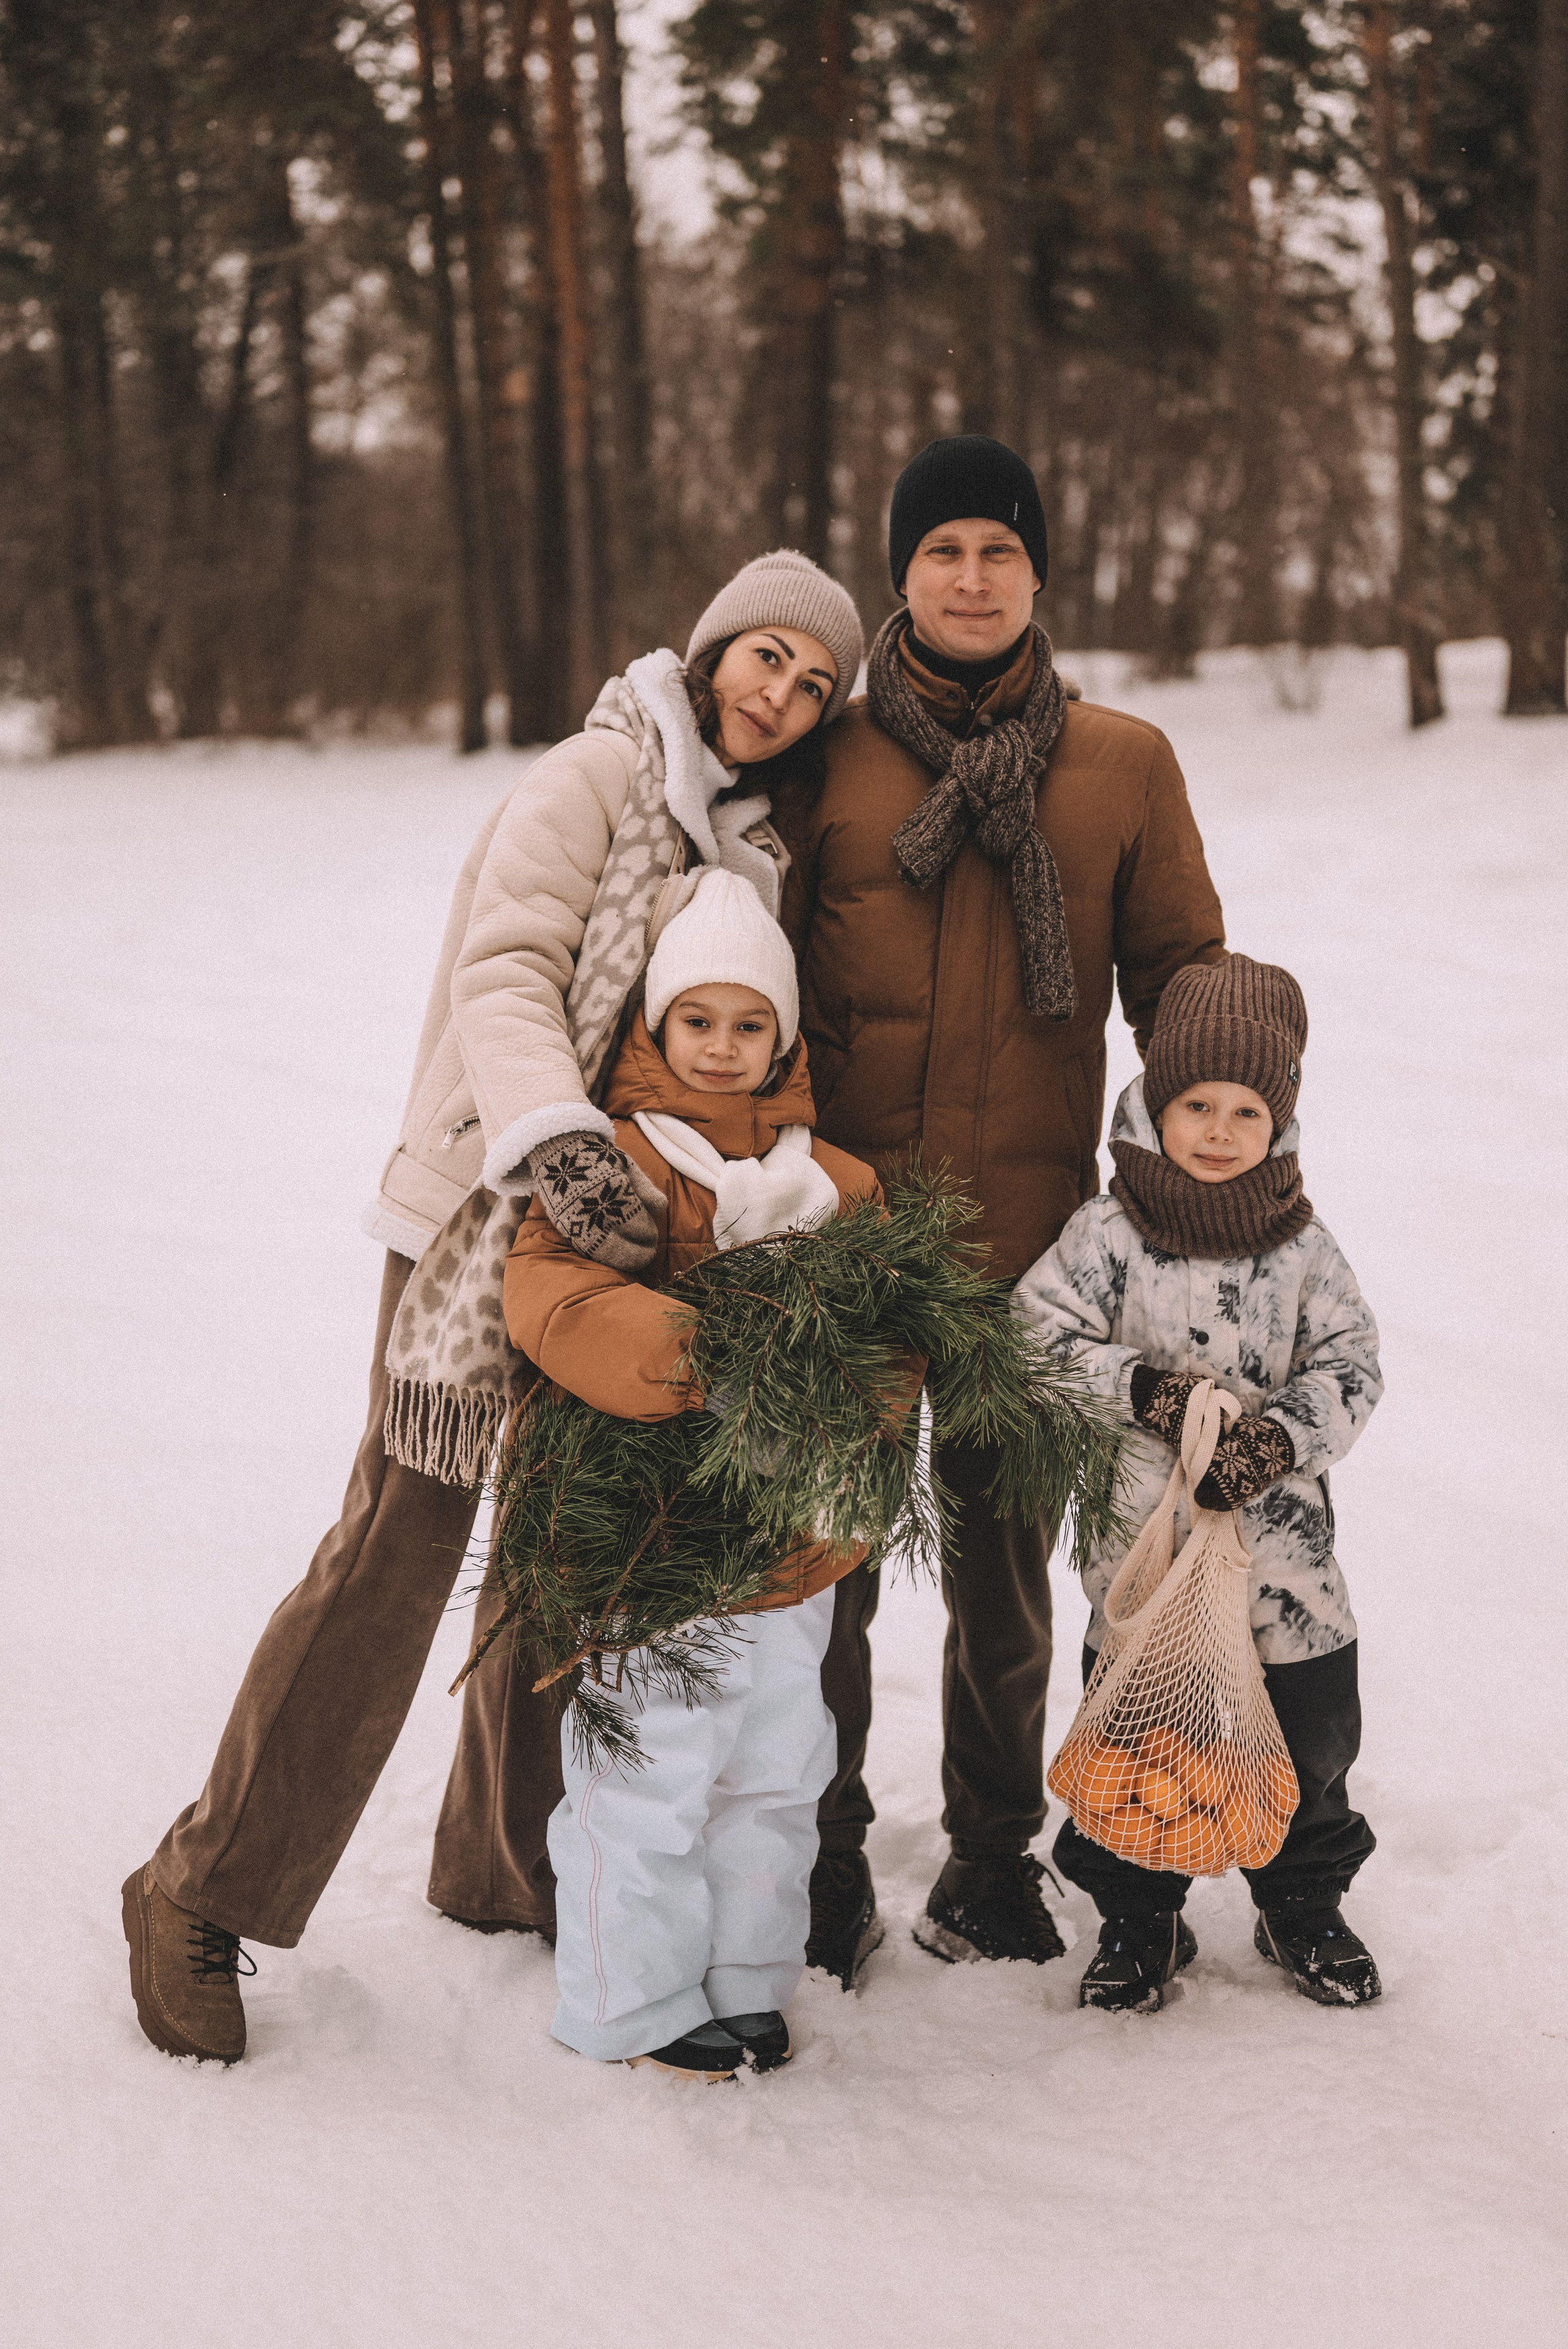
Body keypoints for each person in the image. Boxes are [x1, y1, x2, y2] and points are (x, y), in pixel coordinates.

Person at [120, 551, 864, 2065]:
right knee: (396, 1552)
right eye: (765, 657)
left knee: (569, 1539)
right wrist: (560, 1143)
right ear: (715, 644)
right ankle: (198, 1887)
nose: (778, 695)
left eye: (810, 683)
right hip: (487, 1215)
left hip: (627, 1243)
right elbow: (507, 967)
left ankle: (506, 1862)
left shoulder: (747, 840)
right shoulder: (596, 773)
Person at [767, 435, 1227, 1983]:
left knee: (1002, 1575)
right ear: (896, 572)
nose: (970, 578)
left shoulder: (1119, 765)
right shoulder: (822, 757)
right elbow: (741, 982)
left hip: (1028, 1251)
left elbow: (1181, 998)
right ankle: (820, 1857)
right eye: (941, 550)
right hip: (834, 1238)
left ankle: (983, 1861)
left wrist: (1220, 1160)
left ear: (1040, 574)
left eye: (998, 551)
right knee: (816, 1564)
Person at [505, 869, 895, 2077]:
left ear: (779, 1034)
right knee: (651, 1772)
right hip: (653, 1532)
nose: (721, 1048)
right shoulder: (617, 1164)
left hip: (789, 1539)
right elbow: (552, 1292)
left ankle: (742, 1977)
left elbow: (892, 1330)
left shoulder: (835, 1183)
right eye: (696, 1021)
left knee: (776, 1771)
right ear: (655, 1026)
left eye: (746, 1024)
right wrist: (698, 1351)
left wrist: (847, 1410)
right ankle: (637, 1998)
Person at [1012, 955, 1384, 2012]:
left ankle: (1302, 1905)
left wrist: (1279, 1439)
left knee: (1309, 1749)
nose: (1220, 1130)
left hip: (1285, 1583)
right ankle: (1139, 1918)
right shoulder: (1106, 1235)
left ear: (1282, 1123)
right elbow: (1034, 1338)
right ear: (1154, 1104)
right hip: (1149, 1571)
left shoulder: (1305, 1248)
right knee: (1145, 1751)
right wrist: (1144, 1395)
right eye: (1196, 1105)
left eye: (1247, 1110)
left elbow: (1351, 1366)